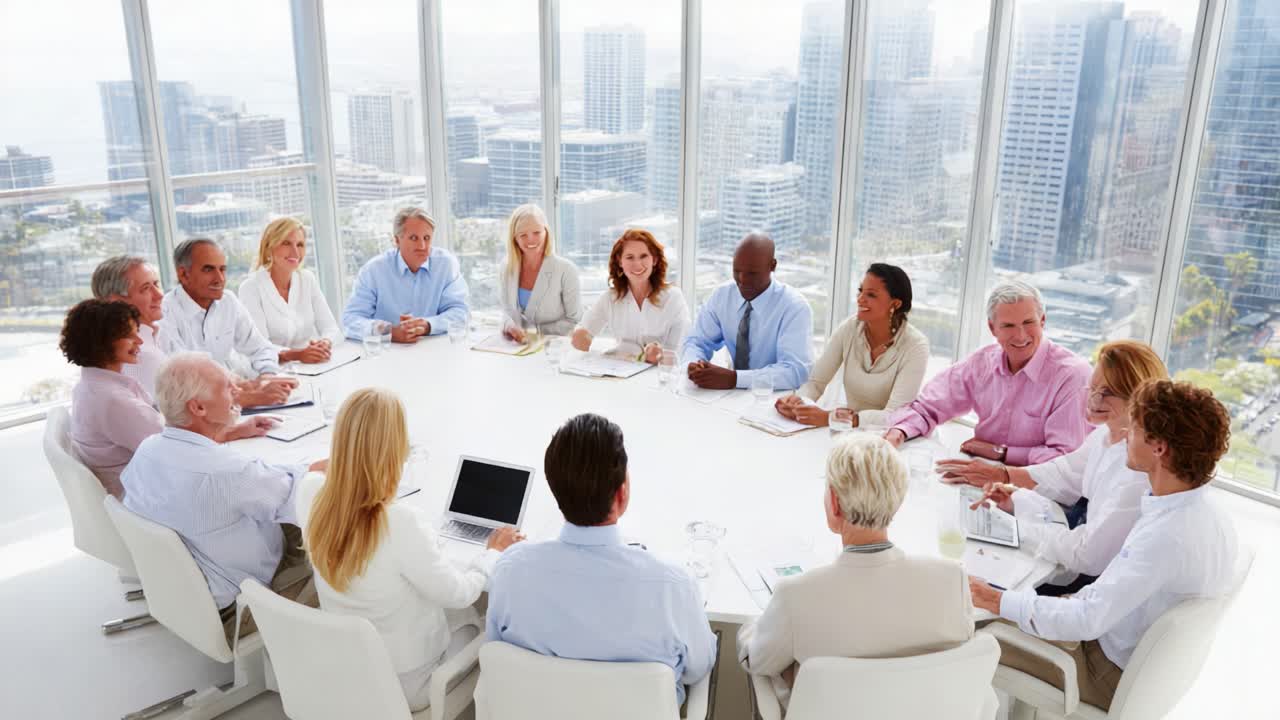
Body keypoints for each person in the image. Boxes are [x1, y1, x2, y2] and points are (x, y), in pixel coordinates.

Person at [970, 380, 1240, 711]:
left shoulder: (1166, 535)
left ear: (1159, 447)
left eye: (1136, 428)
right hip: (1133, 663)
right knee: (1021, 605)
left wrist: (993, 599)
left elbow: (1086, 620)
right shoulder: (1204, 514)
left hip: (1101, 671)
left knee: (973, 632)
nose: (1126, 435)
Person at [296, 388, 523, 712]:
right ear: (396, 450)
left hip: (347, 667)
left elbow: (322, 472)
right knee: (479, 615)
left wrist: (353, 452)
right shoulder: (398, 523)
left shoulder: (311, 492)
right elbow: (459, 594)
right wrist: (493, 553)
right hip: (408, 684)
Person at [486, 413, 717, 705]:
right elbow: (698, 666)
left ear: (555, 491)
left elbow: (498, 652)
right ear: (622, 494)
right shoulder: (672, 584)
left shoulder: (510, 569)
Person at [737, 433, 973, 709]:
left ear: (834, 502)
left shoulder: (797, 595)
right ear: (897, 498)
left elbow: (758, 660)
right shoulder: (950, 580)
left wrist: (755, 626)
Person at [120, 352, 327, 643]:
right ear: (199, 407)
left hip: (187, 595)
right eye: (226, 387)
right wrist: (343, 462)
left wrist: (227, 435)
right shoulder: (226, 473)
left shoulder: (148, 450)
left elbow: (251, 480)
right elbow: (304, 499)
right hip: (240, 611)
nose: (237, 392)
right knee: (354, 546)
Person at [947, 341, 1168, 593]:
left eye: (1107, 393)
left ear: (1138, 398)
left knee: (965, 581)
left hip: (1088, 587)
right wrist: (1011, 488)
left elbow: (1090, 555)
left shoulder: (1137, 471)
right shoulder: (1105, 435)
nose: (1093, 399)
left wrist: (1019, 530)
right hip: (1072, 553)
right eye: (1093, 387)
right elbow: (1064, 474)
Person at [61, 300, 269, 499]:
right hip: (148, 497)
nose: (140, 341)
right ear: (101, 341)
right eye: (129, 335)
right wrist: (237, 430)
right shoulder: (113, 401)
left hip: (139, 488)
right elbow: (179, 446)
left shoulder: (88, 387)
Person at [884, 280, 1091, 466]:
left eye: (1029, 323)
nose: (1020, 336)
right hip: (983, 475)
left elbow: (1066, 459)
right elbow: (927, 407)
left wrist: (1002, 453)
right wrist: (898, 433)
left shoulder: (1072, 376)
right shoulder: (982, 363)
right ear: (993, 329)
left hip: (1041, 488)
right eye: (1008, 325)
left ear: (1043, 321)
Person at [776, 263, 929, 428]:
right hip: (847, 432)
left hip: (888, 440)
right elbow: (815, 383)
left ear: (895, 304)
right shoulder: (850, 328)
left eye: (871, 294)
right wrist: (798, 402)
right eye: (860, 291)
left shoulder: (915, 346)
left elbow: (895, 416)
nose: (860, 299)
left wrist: (833, 418)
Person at [158, 238, 297, 408]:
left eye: (222, 269)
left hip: (235, 398)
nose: (219, 279)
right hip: (200, 409)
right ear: (183, 274)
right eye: (208, 270)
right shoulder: (165, 313)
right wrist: (249, 391)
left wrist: (266, 377)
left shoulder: (228, 301)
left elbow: (260, 348)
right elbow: (187, 379)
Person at [680, 233, 813, 390]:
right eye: (737, 271)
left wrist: (735, 379)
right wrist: (694, 364)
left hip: (773, 398)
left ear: (772, 266)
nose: (742, 280)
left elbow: (795, 371)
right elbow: (697, 341)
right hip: (729, 395)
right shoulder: (722, 296)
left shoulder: (794, 307)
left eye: (752, 273)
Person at [342, 206, 469, 344]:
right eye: (414, 238)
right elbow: (350, 320)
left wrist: (427, 325)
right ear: (397, 240)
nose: (422, 245)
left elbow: (460, 312)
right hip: (388, 354)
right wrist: (388, 331)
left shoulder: (446, 264)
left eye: (427, 238)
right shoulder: (374, 270)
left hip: (433, 350)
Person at [572, 228, 690, 363]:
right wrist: (582, 337)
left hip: (658, 375)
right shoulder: (611, 298)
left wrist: (659, 355)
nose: (637, 264)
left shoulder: (673, 297)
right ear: (620, 261)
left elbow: (681, 351)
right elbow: (584, 332)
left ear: (655, 260)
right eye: (630, 257)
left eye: (643, 256)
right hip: (619, 371)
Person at [238, 217, 340, 363]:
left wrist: (324, 343)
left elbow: (332, 329)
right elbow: (259, 347)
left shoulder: (307, 279)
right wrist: (298, 355)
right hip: (273, 372)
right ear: (269, 247)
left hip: (312, 367)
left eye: (300, 245)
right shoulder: (251, 288)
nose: (295, 252)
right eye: (286, 243)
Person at [499, 204, 582, 341]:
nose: (530, 239)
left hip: (554, 348)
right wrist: (508, 325)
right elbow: (507, 311)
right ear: (514, 238)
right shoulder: (507, 266)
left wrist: (534, 331)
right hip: (518, 346)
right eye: (523, 235)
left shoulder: (566, 270)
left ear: (546, 232)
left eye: (536, 232)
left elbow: (574, 321)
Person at [92, 255, 166, 396]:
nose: (159, 295)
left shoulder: (154, 336)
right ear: (116, 302)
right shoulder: (140, 354)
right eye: (145, 288)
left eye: (156, 284)